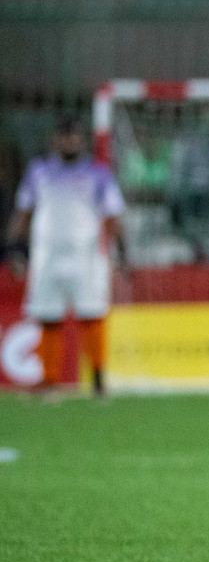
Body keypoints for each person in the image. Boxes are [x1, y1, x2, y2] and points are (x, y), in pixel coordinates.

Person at [5, 116, 126, 397]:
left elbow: (113, 215)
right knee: (47, 316)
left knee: (92, 313)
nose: (68, 140)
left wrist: (121, 252)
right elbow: (23, 211)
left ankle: (98, 378)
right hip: (46, 256)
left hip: (87, 256)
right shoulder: (39, 171)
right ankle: (49, 380)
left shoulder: (98, 173)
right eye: (64, 135)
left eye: (73, 135)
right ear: (55, 140)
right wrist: (14, 248)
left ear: (82, 141)